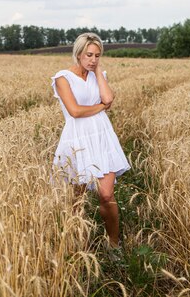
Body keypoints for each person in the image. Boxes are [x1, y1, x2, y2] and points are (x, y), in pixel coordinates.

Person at [51, 32, 131, 248]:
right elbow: (75, 111)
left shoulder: (98, 73)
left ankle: (114, 244)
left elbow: (109, 99)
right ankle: (77, 245)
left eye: (97, 55)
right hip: (77, 140)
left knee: (106, 195)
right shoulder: (62, 78)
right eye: (88, 55)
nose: (93, 59)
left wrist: (97, 71)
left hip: (102, 136)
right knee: (78, 199)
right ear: (78, 54)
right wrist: (100, 108)